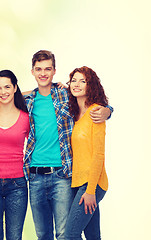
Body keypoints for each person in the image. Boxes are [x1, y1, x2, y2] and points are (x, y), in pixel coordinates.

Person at [23, 50, 113, 240]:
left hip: (64, 176)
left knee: (67, 234)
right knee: (51, 235)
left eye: (48, 68)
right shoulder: (30, 100)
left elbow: (99, 153)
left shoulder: (68, 97)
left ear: (54, 70)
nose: (43, 73)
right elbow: (7, 94)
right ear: (32, 71)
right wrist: (15, 91)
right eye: (38, 69)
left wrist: (108, 110)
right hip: (38, 176)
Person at [0, 70, 30, 240]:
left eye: (7, 87)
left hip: (17, 184)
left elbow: (35, 145)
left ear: (15, 87)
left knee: (15, 237)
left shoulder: (26, 117)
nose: (3, 92)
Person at [64, 66, 109, 240]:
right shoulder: (75, 114)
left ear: (91, 86)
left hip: (92, 184)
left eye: (83, 81)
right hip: (77, 182)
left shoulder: (96, 112)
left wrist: (90, 190)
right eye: (74, 80)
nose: (77, 84)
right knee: (92, 236)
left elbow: (99, 154)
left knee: (71, 235)